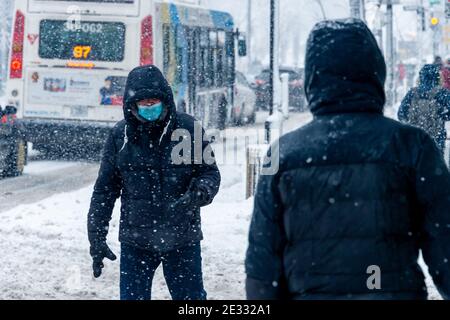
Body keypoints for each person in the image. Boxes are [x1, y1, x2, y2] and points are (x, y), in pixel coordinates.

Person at [245, 19, 450, 300]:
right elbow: (445, 245)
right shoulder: (412, 146)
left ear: (312, 78)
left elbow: (263, 259)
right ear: (376, 71)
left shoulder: (284, 153)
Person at [88, 65, 221, 300]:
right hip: (136, 240)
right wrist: (96, 237)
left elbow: (210, 173)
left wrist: (200, 193)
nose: (150, 108)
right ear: (132, 104)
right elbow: (105, 191)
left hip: (182, 238)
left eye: (154, 102)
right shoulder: (121, 136)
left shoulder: (188, 129)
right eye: (144, 103)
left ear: (165, 100)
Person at [398, 64, 450, 154]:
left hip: (415, 140)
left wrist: (414, 118)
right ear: (438, 77)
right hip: (436, 141)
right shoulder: (442, 93)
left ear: (421, 76)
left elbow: (401, 114)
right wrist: (440, 114)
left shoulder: (412, 93)